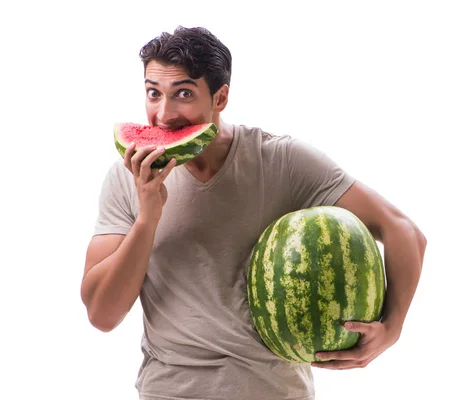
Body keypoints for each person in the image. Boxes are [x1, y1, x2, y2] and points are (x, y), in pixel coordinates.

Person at [81, 26, 427, 400]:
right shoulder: (126, 178)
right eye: (153, 93)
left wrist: (392, 328)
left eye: (183, 94)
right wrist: (148, 218)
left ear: (221, 97)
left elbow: (402, 230)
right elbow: (102, 315)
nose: (164, 114)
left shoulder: (281, 161)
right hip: (169, 392)